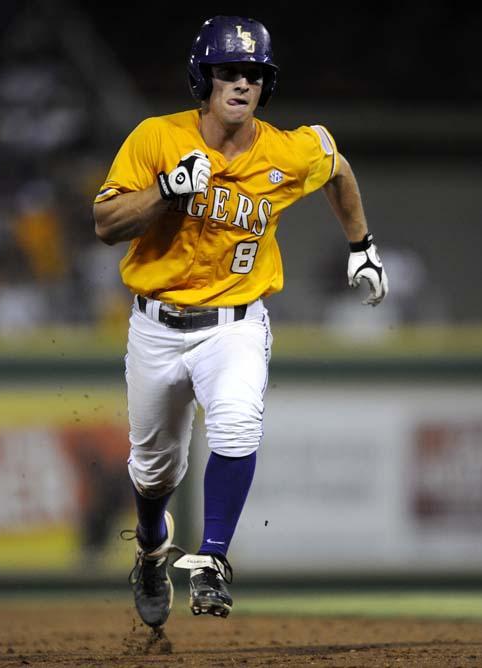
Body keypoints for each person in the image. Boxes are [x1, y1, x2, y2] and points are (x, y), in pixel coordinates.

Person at [92, 15, 389, 628]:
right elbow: (106, 225)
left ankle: (214, 560)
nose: (241, 84)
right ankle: (152, 548)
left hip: (235, 322)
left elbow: (333, 162)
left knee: (235, 422)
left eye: (253, 74)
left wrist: (362, 245)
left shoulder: (284, 150)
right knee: (154, 472)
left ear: (265, 84)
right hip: (155, 324)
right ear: (203, 78)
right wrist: (167, 193)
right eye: (228, 71)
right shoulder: (156, 137)